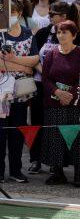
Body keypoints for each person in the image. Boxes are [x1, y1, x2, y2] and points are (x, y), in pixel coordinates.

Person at [0, 0, 38, 184]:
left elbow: (35, 60)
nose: (9, 16)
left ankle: (16, 170)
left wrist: (13, 59)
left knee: (17, 131)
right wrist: (24, 67)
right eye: (6, 12)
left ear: (20, 13)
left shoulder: (29, 34)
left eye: (13, 12)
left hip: (20, 92)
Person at [36, 20, 80, 185]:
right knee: (55, 137)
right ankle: (58, 172)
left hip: (76, 104)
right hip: (54, 103)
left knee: (76, 138)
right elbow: (46, 78)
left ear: (74, 35)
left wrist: (69, 95)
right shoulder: (52, 54)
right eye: (59, 33)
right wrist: (57, 92)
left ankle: (78, 174)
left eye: (65, 32)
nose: (61, 35)